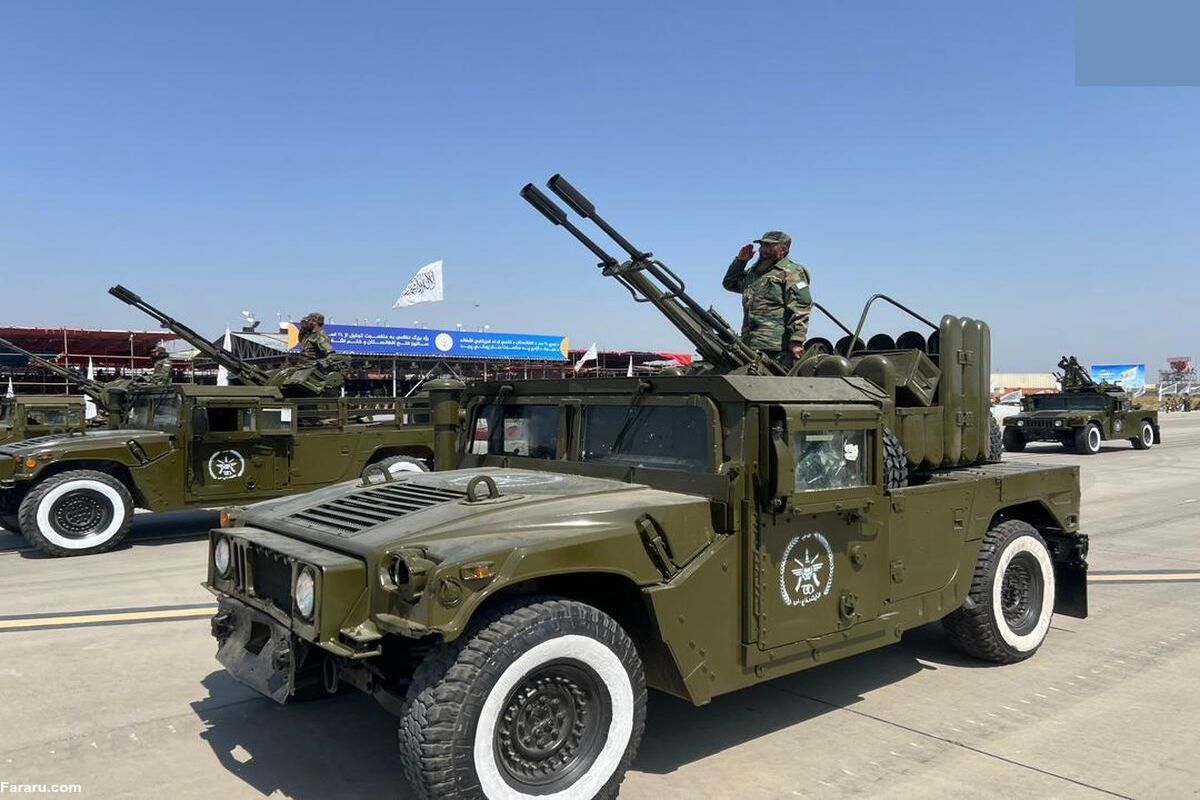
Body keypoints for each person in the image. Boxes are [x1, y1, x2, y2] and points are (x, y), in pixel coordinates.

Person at [722, 231, 812, 367]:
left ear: (783, 248)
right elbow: (730, 284)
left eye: (770, 246)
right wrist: (740, 261)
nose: (763, 250)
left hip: (775, 348)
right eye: (763, 245)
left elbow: (801, 307)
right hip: (749, 345)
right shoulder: (754, 273)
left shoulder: (792, 272)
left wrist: (797, 340)